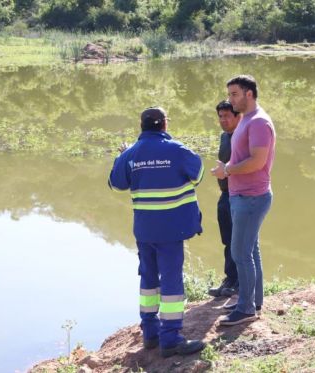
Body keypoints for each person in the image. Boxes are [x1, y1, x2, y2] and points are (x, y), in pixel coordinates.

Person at [108, 106, 206, 357]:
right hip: (171, 230)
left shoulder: (131, 153)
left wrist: (121, 157)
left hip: (145, 231)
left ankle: (150, 335)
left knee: (148, 280)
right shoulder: (177, 149)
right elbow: (199, 175)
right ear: (164, 125)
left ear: (141, 126)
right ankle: (170, 339)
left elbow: (116, 183)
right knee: (171, 281)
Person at [211, 75, 276, 326]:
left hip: (251, 197)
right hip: (243, 195)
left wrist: (227, 170)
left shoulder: (258, 122)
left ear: (249, 94)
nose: (230, 100)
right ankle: (253, 301)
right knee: (251, 251)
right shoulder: (247, 120)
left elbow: (257, 162)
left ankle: (246, 308)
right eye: (229, 94)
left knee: (240, 252)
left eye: (234, 94)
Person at [208, 100, 241, 298]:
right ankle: (229, 279)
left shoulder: (243, 136)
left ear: (238, 116)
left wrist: (227, 172)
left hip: (240, 194)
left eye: (227, 116)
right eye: (220, 116)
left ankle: (238, 282)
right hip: (225, 194)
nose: (223, 120)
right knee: (227, 239)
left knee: (239, 240)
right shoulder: (224, 136)